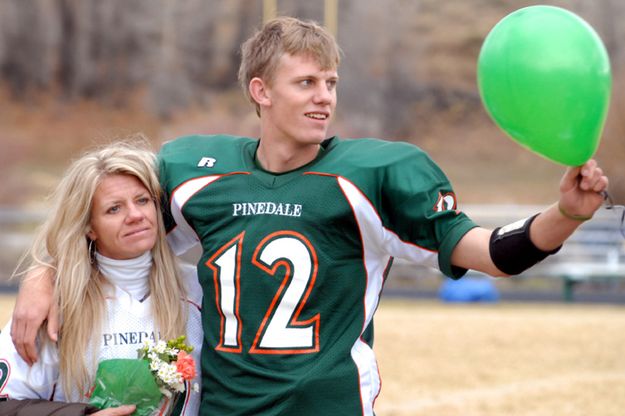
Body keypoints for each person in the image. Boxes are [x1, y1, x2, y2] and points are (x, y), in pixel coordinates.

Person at [11, 17, 608, 416]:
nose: (324, 96)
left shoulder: (374, 174)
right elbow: (107, 225)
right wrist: (43, 274)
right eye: (305, 83)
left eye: (331, 82)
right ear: (261, 92)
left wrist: (563, 215)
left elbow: (493, 253)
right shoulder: (197, 170)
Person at [0, 141, 202, 415]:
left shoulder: (201, 290)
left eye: (143, 200)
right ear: (88, 228)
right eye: (114, 209)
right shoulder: (56, 304)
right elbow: (7, 403)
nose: (135, 215)